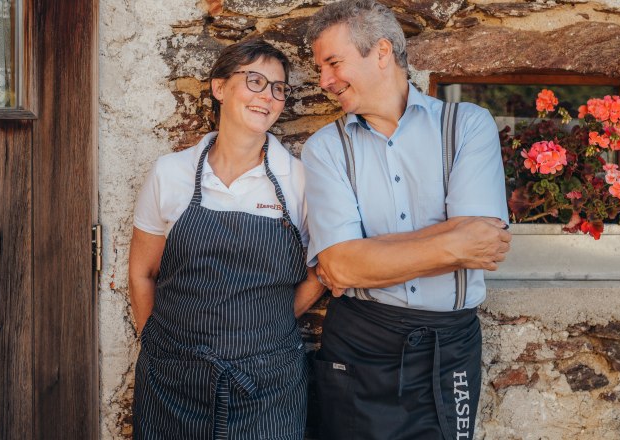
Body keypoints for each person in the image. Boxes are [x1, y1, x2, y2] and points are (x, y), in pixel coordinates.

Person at [301, 1, 512, 439]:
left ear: (381, 52)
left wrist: (368, 254)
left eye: (333, 63)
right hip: (358, 344)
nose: (324, 81)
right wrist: (454, 241)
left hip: (448, 349)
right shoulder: (324, 149)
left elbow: (485, 242)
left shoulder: (468, 125)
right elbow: (340, 267)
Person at [128, 39, 325, 439]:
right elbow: (142, 272)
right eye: (255, 81)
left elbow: (321, 271)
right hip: (172, 382)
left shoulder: (299, 181)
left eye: (278, 88)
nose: (267, 96)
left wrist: (269, 331)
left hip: (269, 385)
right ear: (219, 88)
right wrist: (159, 347)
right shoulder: (171, 173)